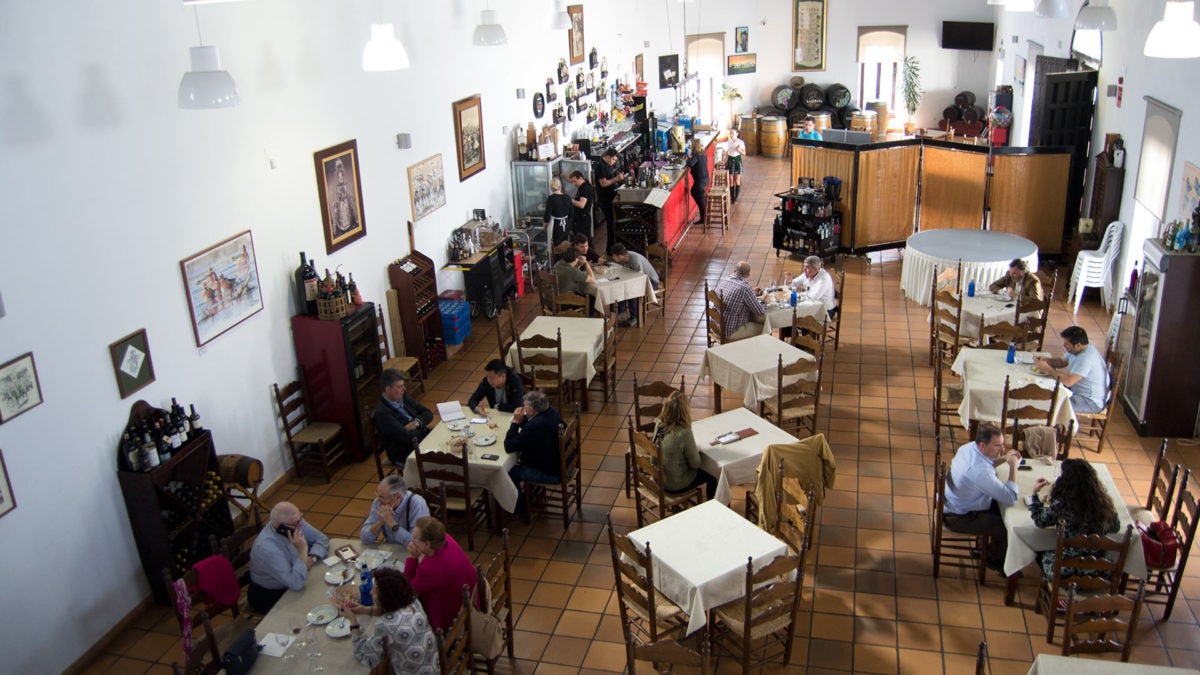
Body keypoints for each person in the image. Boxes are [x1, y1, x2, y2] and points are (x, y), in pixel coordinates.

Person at [942, 423, 1022, 572]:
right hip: (959, 517)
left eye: (1003, 444)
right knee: (1009, 528)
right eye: (997, 445)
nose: (1002, 449)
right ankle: (994, 560)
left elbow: (989, 464)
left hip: (954, 502)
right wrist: (1013, 467)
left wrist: (1004, 458)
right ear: (983, 445)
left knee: (1002, 509)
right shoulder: (979, 471)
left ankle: (990, 551)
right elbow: (1011, 497)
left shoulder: (969, 448)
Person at [1028, 458, 1121, 579]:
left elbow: (1040, 521)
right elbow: (1115, 527)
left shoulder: (1062, 505)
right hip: (1099, 569)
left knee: (1041, 551)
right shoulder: (1102, 504)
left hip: (1066, 569)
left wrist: (1035, 495)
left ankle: (1052, 586)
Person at [339, 568, 439, 675]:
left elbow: (364, 655)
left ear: (387, 597)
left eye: (376, 591)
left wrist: (353, 621)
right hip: (433, 667)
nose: (371, 592)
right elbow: (393, 609)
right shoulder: (413, 601)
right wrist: (366, 610)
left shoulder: (386, 625)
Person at [247, 501, 330, 613]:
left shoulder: (295, 521)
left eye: (300, 519)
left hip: (295, 576)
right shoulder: (268, 549)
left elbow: (322, 539)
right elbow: (296, 583)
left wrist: (312, 557)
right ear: (279, 526)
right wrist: (302, 551)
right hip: (271, 594)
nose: (300, 526)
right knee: (312, 609)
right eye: (296, 524)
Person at [403, 516, 477, 633]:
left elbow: (407, 591)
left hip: (452, 616)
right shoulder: (447, 539)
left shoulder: (430, 569)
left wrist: (412, 557)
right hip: (470, 598)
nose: (412, 542)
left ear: (427, 544)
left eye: (415, 539)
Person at [504, 390, 566, 504]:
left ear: (531, 409)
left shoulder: (534, 427)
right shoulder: (551, 412)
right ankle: (532, 495)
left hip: (551, 473)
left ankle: (518, 506)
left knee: (509, 472)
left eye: (525, 405)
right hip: (563, 464)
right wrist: (523, 421)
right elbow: (532, 428)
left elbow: (509, 446)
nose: (523, 407)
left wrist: (515, 423)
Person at [654, 390, 716, 499]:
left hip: (659, 478)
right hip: (675, 484)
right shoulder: (684, 431)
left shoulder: (659, 424)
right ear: (684, 410)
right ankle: (715, 509)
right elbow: (695, 463)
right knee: (714, 475)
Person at [1033, 326, 1107, 414]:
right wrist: (1047, 360)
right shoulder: (1079, 349)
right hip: (1077, 390)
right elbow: (1061, 362)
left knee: (1050, 403)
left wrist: (1047, 368)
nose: (1064, 346)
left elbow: (1068, 381)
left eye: (1067, 344)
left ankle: (1052, 425)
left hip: (1090, 401)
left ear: (1078, 345)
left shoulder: (1085, 359)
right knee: (1045, 390)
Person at [372, 369, 434, 468]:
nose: (404, 389)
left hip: (419, 439)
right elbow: (407, 438)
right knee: (443, 460)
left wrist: (415, 423)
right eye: (399, 386)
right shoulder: (382, 414)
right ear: (388, 389)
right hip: (405, 453)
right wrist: (420, 427)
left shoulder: (402, 397)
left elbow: (428, 413)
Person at [360, 474, 430, 546]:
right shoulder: (378, 503)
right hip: (391, 549)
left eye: (382, 497)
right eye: (377, 495)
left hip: (411, 551)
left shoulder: (417, 504)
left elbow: (418, 543)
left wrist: (392, 524)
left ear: (398, 497)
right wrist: (380, 522)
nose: (378, 500)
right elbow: (365, 539)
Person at [608, 243, 659, 327]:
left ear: (619, 256)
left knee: (632, 292)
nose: (613, 257)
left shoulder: (635, 260)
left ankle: (635, 317)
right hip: (638, 280)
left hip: (650, 282)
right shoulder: (625, 257)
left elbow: (640, 277)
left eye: (614, 256)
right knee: (619, 286)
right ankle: (622, 311)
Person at [715, 261, 767, 341]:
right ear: (748, 275)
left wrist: (752, 293)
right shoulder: (745, 289)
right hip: (730, 332)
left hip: (717, 327)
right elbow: (760, 311)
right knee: (765, 327)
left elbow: (734, 295)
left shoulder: (724, 280)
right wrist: (765, 301)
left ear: (734, 271)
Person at [595, 149, 626, 248]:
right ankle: (610, 247)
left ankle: (615, 243)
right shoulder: (600, 167)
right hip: (605, 199)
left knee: (614, 220)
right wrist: (616, 179)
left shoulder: (607, 166)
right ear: (607, 156)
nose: (614, 162)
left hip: (611, 196)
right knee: (610, 222)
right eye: (613, 159)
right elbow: (603, 183)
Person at [684, 137, 710, 223]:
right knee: (695, 193)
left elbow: (690, 163)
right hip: (705, 178)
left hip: (700, 181)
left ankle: (704, 218)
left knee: (698, 196)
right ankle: (704, 215)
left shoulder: (697, 156)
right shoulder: (703, 154)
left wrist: (687, 159)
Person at [543, 177, 572, 246]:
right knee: (565, 244)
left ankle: (557, 257)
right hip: (566, 224)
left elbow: (547, 215)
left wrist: (545, 224)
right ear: (560, 187)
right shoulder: (567, 197)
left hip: (555, 225)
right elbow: (571, 214)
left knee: (556, 245)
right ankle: (565, 256)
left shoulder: (551, 198)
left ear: (551, 188)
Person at [567, 171, 594, 238]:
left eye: (575, 181)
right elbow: (569, 179)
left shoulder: (584, 189)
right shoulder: (584, 185)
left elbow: (581, 205)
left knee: (582, 240)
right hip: (582, 218)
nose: (573, 184)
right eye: (572, 182)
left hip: (582, 220)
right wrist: (560, 174)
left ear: (581, 178)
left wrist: (569, 200)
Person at [723, 128, 747, 203]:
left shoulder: (740, 142)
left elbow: (744, 153)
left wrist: (739, 150)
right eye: (730, 133)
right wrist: (725, 158)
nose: (731, 135)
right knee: (730, 180)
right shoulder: (728, 142)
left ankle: (736, 197)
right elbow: (727, 151)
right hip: (730, 160)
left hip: (737, 160)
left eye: (732, 133)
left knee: (737, 180)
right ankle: (732, 197)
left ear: (737, 134)